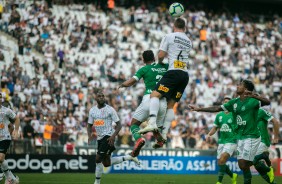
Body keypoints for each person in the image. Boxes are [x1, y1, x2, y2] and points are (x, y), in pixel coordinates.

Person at [189, 79, 271, 184]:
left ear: (246, 89)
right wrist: (199, 109)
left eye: (240, 85)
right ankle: (259, 163)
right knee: (243, 166)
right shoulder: (234, 102)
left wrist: (254, 96)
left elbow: (267, 102)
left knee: (243, 164)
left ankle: (262, 157)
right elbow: (217, 108)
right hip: (240, 137)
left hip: (252, 136)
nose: (237, 86)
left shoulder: (253, 101)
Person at [139, 18, 192, 134]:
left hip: (173, 72)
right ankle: (164, 134)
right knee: (171, 105)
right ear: (185, 28)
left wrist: (160, 62)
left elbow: (161, 54)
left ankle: (152, 123)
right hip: (184, 75)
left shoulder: (169, 36)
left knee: (154, 95)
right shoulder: (189, 41)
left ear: (174, 26)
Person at [118, 50, 169, 156]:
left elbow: (132, 81)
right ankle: (159, 141)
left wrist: (122, 85)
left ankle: (139, 139)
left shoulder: (144, 69)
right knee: (156, 128)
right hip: (163, 101)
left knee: (134, 124)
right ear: (154, 58)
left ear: (143, 60)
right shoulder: (165, 67)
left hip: (149, 98)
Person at [87, 91, 140, 184]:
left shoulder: (110, 109)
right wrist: (89, 135)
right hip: (100, 138)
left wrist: (113, 136)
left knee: (98, 159)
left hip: (108, 137)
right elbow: (89, 125)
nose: (102, 97)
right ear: (96, 98)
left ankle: (97, 182)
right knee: (106, 163)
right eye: (99, 96)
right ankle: (130, 157)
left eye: (103, 96)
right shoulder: (92, 110)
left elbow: (119, 125)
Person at [206, 96, 238, 184]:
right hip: (222, 141)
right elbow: (215, 128)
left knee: (222, 160)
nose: (226, 103)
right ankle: (232, 175)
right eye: (225, 102)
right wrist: (209, 134)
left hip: (231, 141)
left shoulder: (234, 114)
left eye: (228, 102)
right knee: (220, 162)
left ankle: (219, 182)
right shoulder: (219, 115)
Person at [253, 107, 280, 184]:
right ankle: (272, 182)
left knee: (252, 160)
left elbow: (276, 122)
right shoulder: (248, 113)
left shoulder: (261, 111)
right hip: (254, 142)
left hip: (263, 140)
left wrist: (276, 137)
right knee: (257, 166)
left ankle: (265, 158)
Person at [0, 93, 20, 184]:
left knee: (0, 158)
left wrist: (16, 130)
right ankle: (12, 178)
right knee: (2, 160)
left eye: (0, 98)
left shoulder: (6, 111)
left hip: (5, 137)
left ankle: (2, 174)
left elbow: (16, 118)